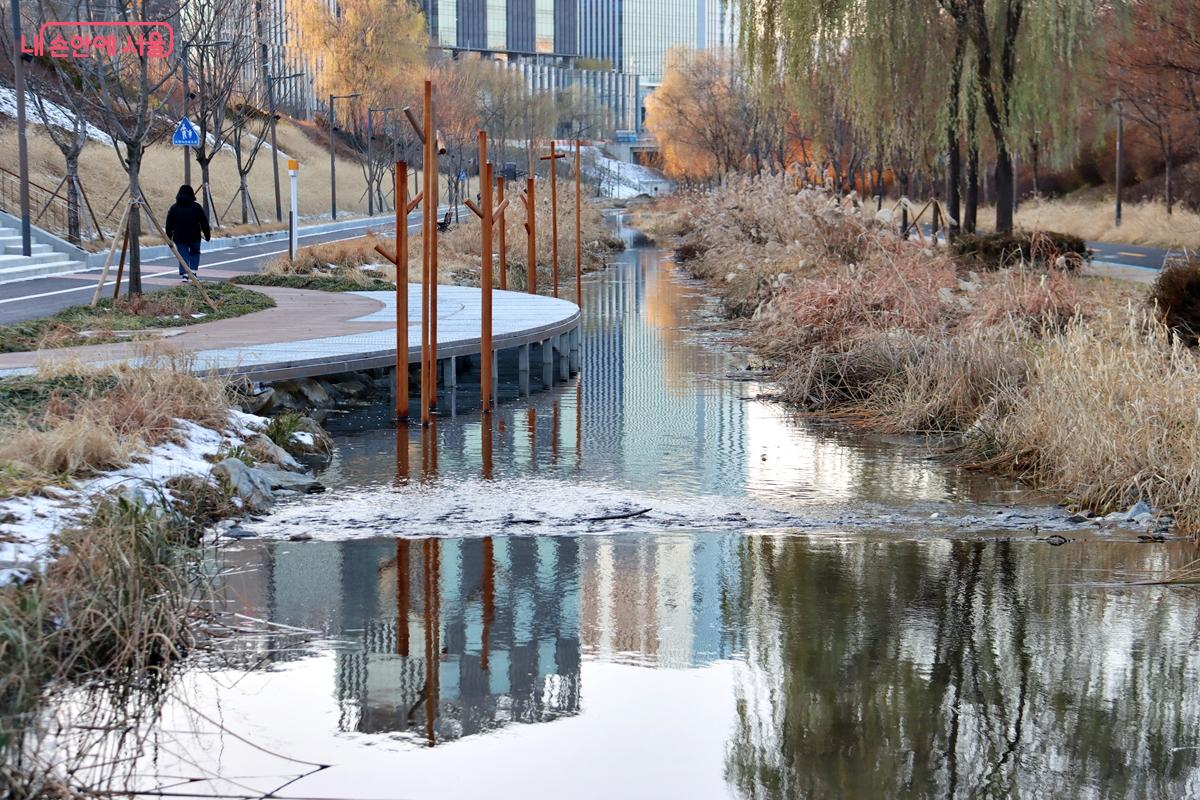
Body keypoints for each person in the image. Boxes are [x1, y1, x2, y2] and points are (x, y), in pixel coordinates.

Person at [165, 185, 211, 282]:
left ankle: (185, 274)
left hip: (179, 236)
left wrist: (168, 237)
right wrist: (207, 235)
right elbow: (204, 222)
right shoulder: (196, 207)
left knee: (183, 255)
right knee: (195, 252)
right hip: (194, 235)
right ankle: (193, 272)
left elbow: (169, 224)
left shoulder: (174, 207)